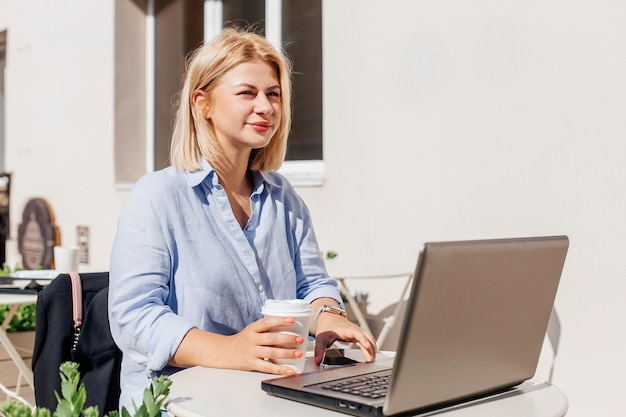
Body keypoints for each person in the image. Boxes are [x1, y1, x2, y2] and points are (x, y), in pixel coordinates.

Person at [108, 27, 377, 411]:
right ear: (203, 103)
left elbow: (313, 283)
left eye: (274, 94)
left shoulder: (284, 198)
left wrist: (329, 317)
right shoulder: (157, 197)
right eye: (247, 93)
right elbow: (134, 318)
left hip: (270, 395)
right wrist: (231, 349)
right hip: (179, 403)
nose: (266, 107)